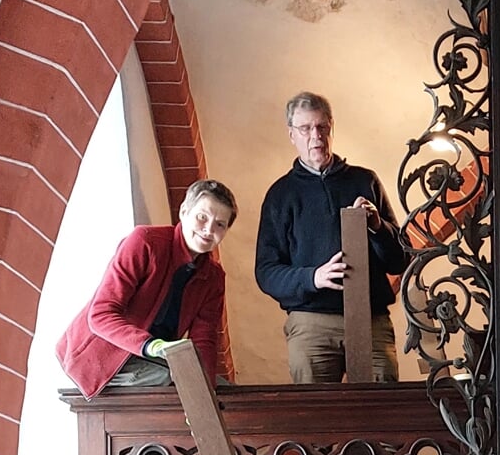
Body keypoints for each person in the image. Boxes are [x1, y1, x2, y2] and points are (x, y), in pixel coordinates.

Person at [256, 92, 408, 383]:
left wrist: (378, 227)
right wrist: (313, 277)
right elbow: (266, 272)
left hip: (370, 319)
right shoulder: (280, 194)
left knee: (383, 413)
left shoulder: (365, 180)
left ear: (331, 128)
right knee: (318, 418)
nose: (316, 136)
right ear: (292, 134)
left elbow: (399, 259)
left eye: (322, 127)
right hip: (311, 323)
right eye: (305, 129)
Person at [55, 179, 238, 396]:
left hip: (153, 360)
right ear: (183, 212)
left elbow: (204, 339)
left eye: (220, 224)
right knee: (173, 381)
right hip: (101, 358)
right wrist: (152, 346)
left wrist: (206, 392)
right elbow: (101, 315)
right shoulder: (145, 242)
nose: (208, 230)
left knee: (225, 393)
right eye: (202, 217)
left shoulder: (214, 277)